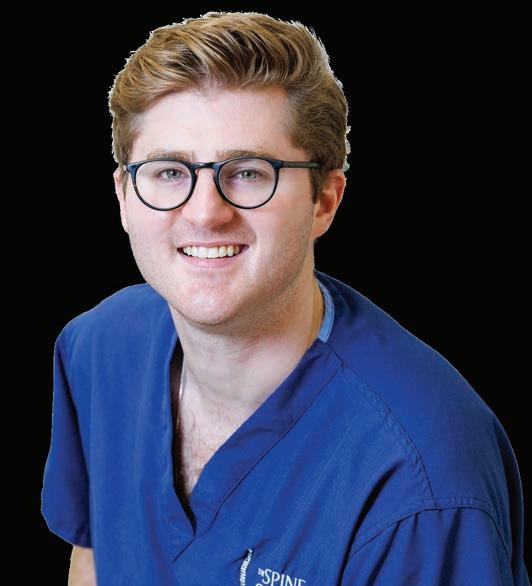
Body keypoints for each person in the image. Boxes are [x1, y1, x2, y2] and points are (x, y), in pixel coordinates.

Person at [41, 11, 529, 586]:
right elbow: (93, 557)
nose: (205, 212)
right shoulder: (97, 349)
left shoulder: (422, 480)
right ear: (124, 195)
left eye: (249, 173)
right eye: (169, 172)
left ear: (325, 200)